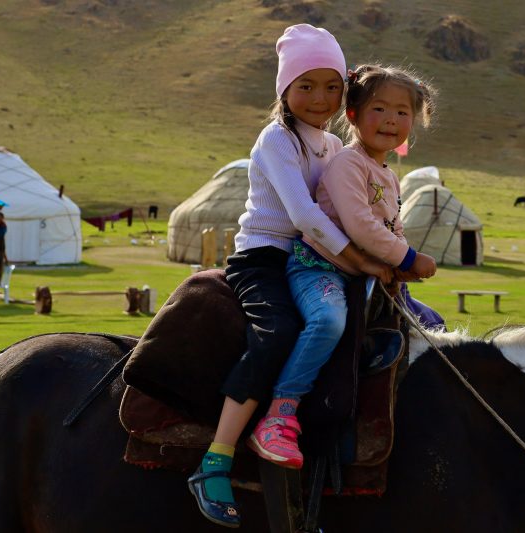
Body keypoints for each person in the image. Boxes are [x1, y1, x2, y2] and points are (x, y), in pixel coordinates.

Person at [187, 24, 393, 528]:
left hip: (312, 261)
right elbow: (303, 216)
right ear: (284, 89)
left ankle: (313, 486)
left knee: (360, 345)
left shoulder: (328, 145)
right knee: (276, 333)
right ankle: (215, 456)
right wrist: (360, 261)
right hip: (264, 258)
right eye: (306, 85)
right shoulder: (276, 139)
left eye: (331, 86)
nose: (319, 98)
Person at [248, 64, 438, 471]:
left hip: (360, 274)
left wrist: (399, 265)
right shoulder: (346, 165)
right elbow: (360, 225)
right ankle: (281, 411)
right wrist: (409, 258)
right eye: (380, 109)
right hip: (317, 267)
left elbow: (392, 225)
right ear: (352, 114)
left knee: (431, 326)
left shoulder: (387, 174)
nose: (391, 120)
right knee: (328, 321)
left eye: (402, 112)